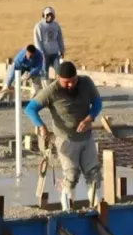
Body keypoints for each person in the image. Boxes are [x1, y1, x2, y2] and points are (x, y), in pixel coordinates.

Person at [24, 61, 103, 209]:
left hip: (86, 138)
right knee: (72, 175)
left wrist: (90, 118)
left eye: (73, 81)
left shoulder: (86, 83)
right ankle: (67, 209)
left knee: (93, 175)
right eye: (66, 82)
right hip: (65, 140)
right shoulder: (51, 91)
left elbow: (98, 103)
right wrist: (41, 126)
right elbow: (30, 109)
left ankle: (96, 208)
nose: (70, 85)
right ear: (58, 78)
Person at [33, 6, 65, 75]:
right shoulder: (39, 26)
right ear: (44, 15)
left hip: (55, 53)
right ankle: (44, 85)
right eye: (48, 15)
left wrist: (62, 50)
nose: (50, 17)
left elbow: (60, 38)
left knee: (59, 71)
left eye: (51, 15)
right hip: (44, 54)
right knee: (44, 72)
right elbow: (37, 41)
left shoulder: (56, 25)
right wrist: (41, 53)